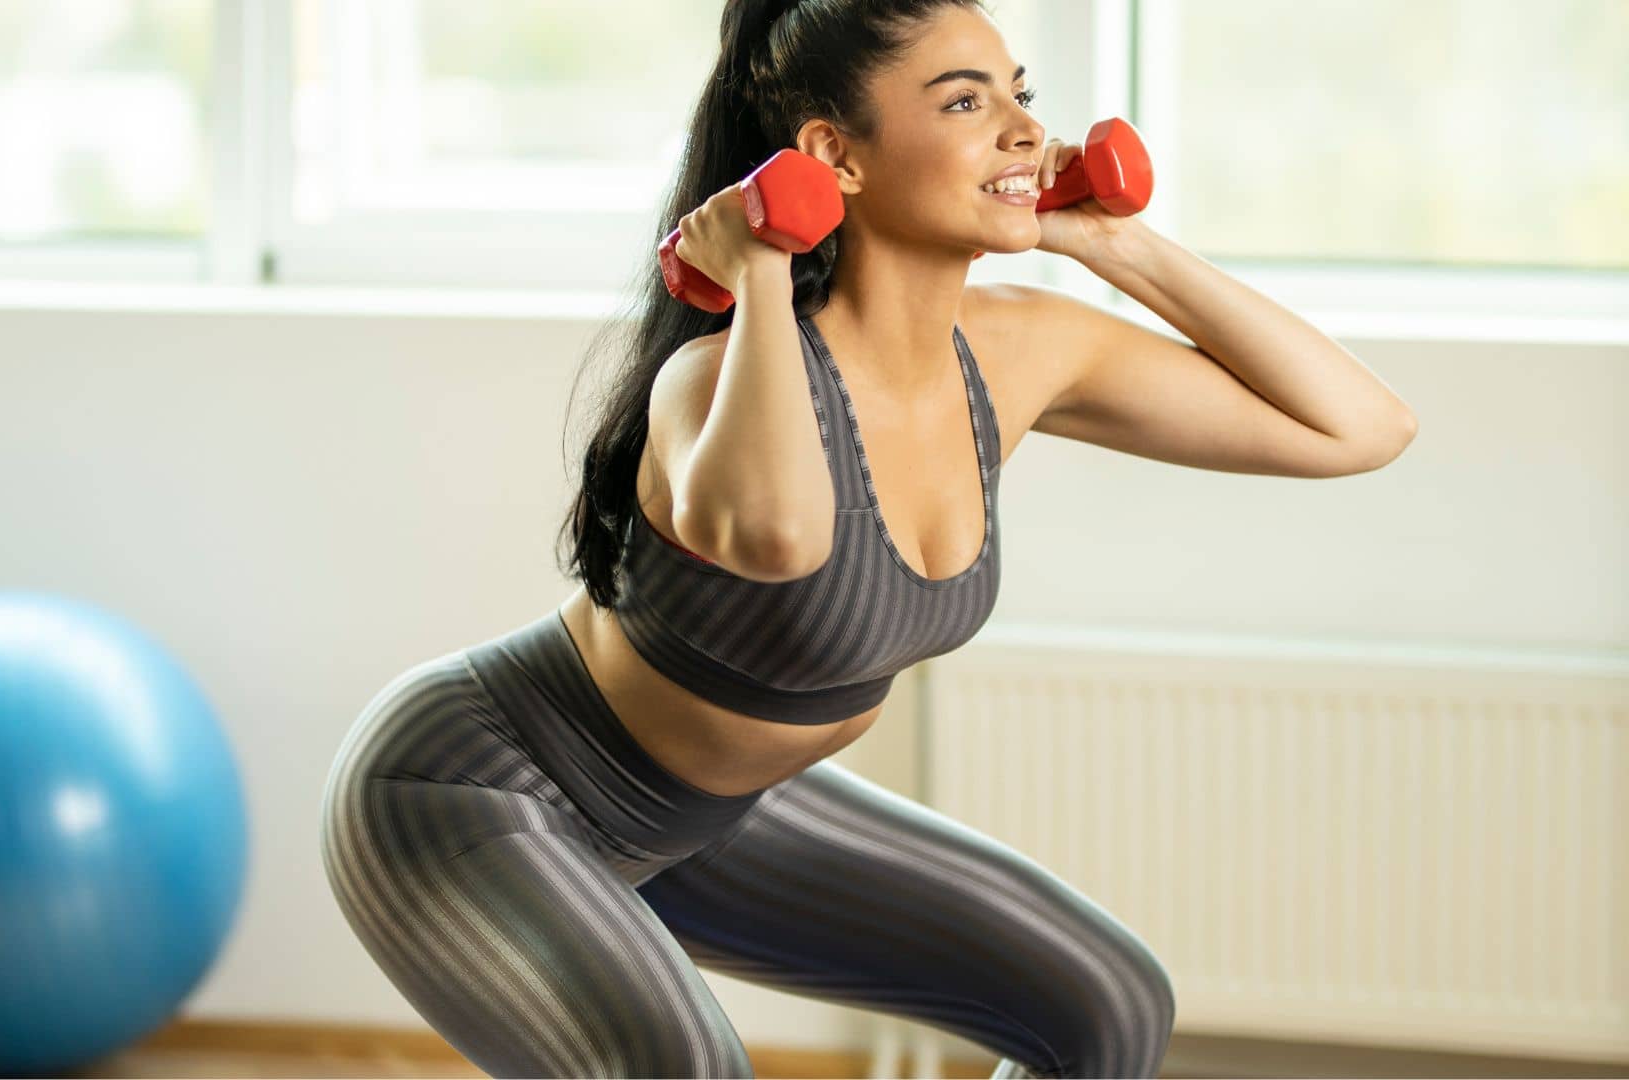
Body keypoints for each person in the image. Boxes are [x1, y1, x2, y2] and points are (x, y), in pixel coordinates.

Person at [321, 1, 1417, 1077]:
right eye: (964, 100)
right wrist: (755, 270)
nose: (1026, 130)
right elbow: (782, 534)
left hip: (717, 818)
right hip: (478, 789)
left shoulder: (1023, 351)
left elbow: (1359, 427)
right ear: (832, 156)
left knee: (1109, 1004)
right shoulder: (713, 377)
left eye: (1020, 97)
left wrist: (1115, 245)